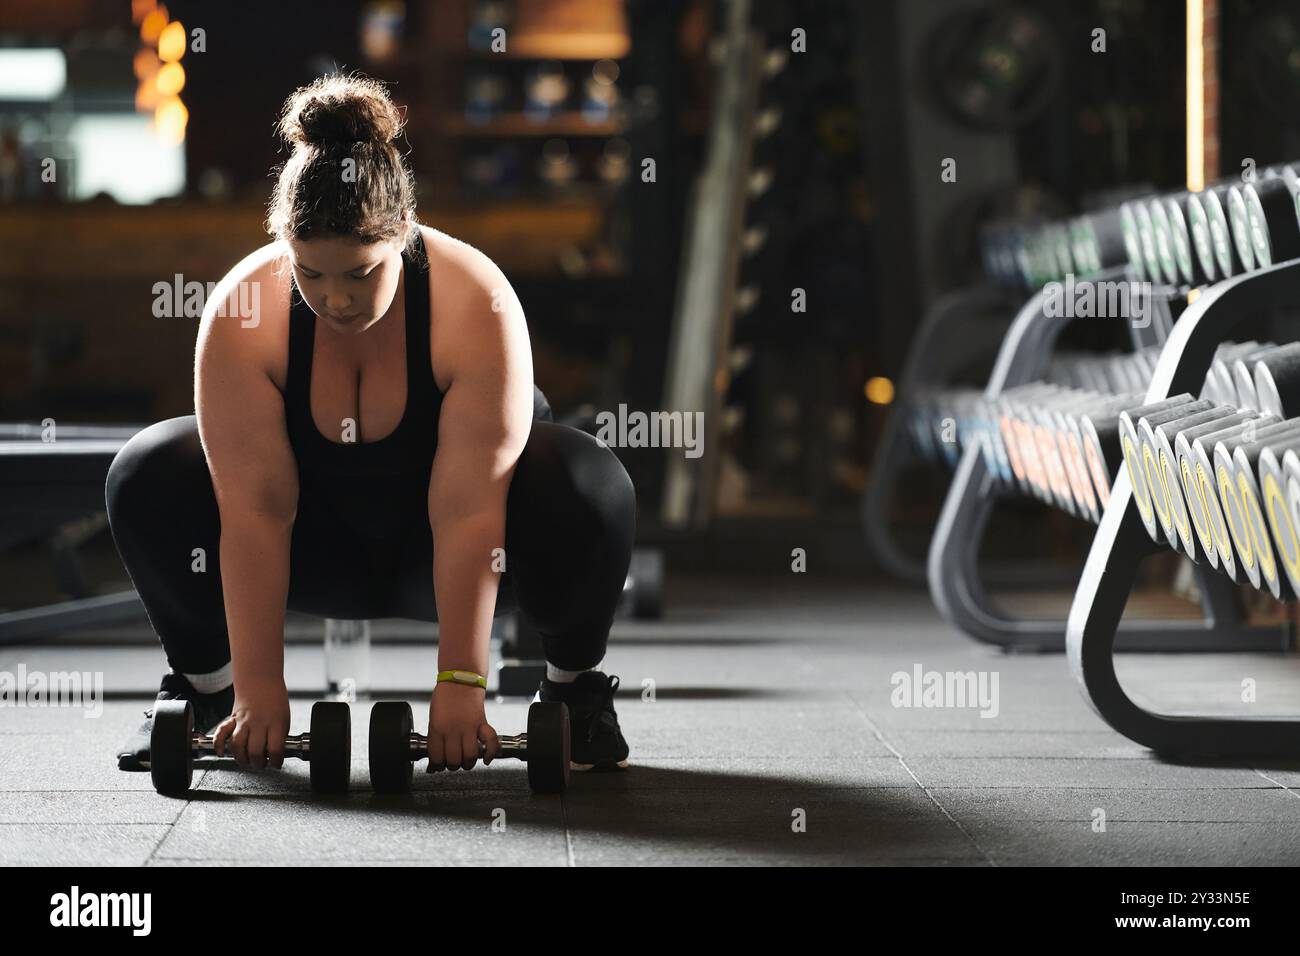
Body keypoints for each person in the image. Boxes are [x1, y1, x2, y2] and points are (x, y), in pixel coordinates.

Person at [109, 73, 634, 777]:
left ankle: (574, 696)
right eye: (309, 273)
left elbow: (471, 509)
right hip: (315, 555)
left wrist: (461, 683)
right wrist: (262, 690)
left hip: (454, 552)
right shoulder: (244, 312)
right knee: (149, 466)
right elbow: (256, 511)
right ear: (282, 243)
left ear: (403, 235)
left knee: (588, 476)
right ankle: (206, 694)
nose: (334, 299)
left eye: (359, 273)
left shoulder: (475, 300)